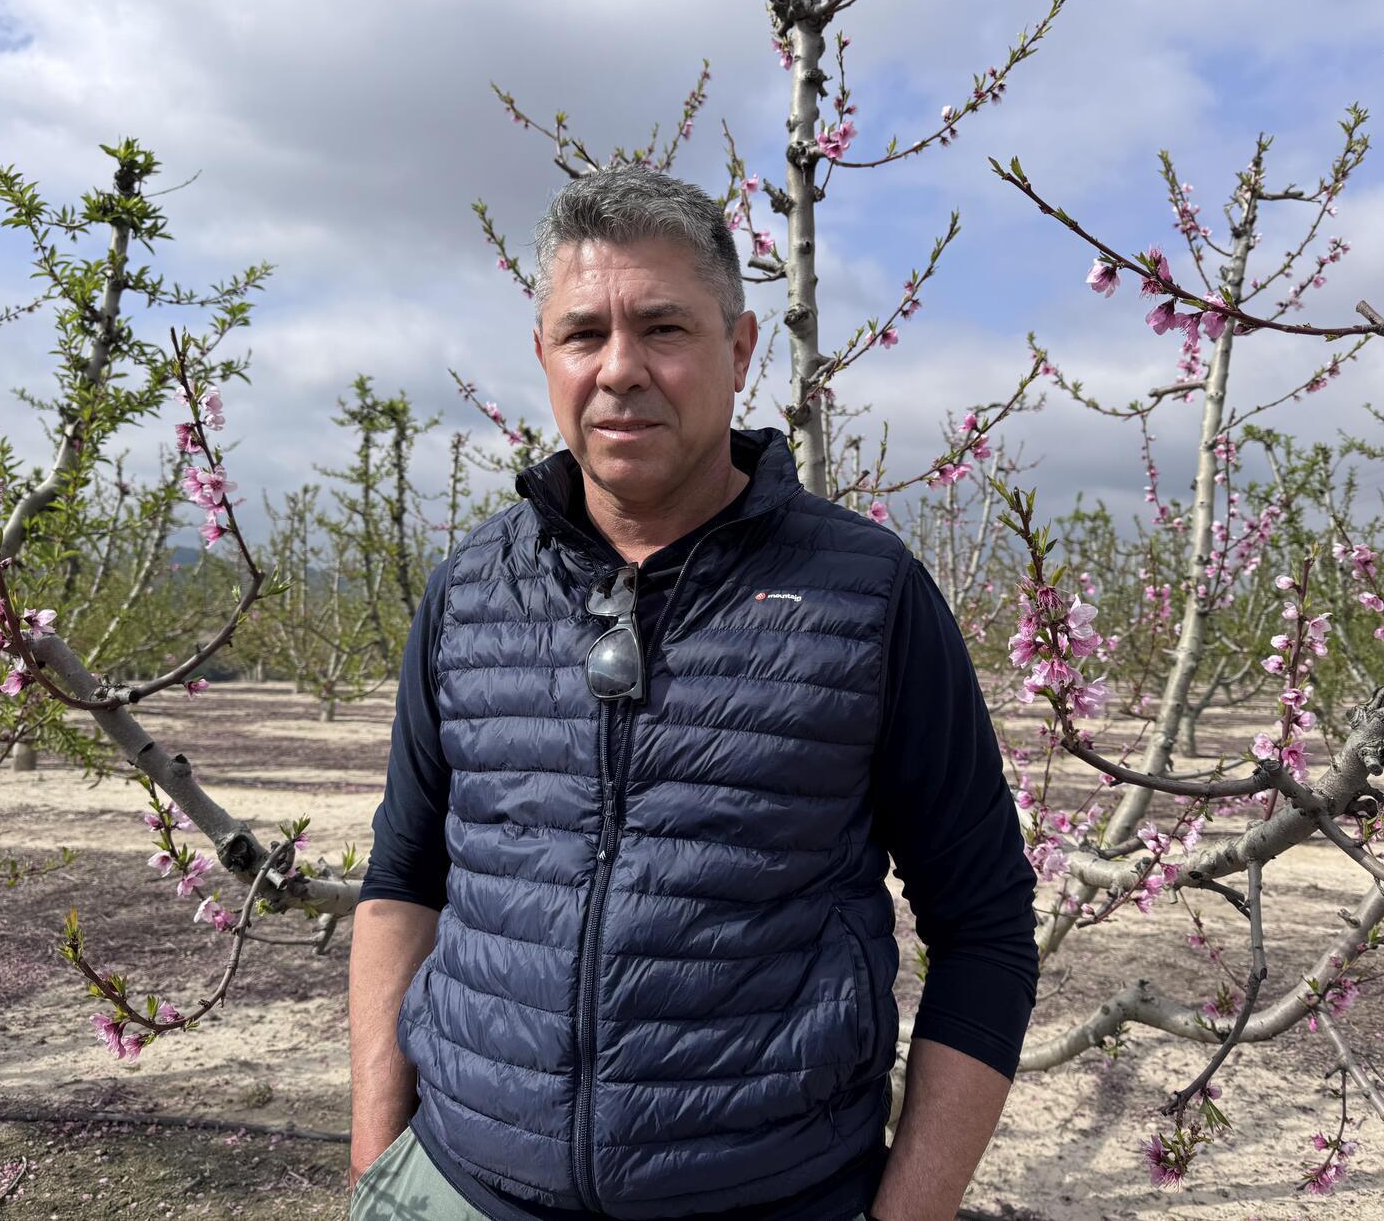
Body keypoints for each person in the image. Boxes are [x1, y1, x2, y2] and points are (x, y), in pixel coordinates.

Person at [348, 165, 1038, 1221]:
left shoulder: (868, 596)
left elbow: (984, 926)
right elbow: (405, 880)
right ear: (544, 359)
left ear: (742, 349)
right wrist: (375, 1172)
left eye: (663, 328)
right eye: (583, 335)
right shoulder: (470, 590)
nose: (620, 369)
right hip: (458, 1190)